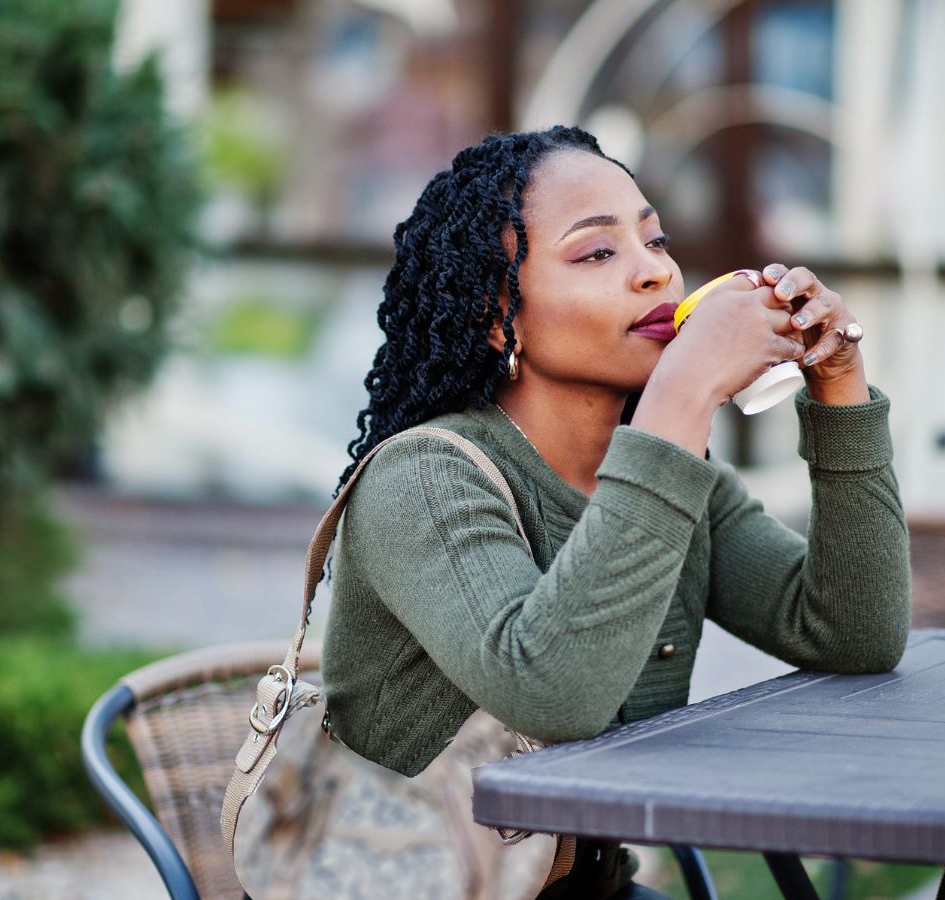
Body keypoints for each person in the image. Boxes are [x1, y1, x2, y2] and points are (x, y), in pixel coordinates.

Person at [320, 125, 910, 899]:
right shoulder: (424, 477)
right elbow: (551, 693)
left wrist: (840, 387)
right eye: (597, 253)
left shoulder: (668, 474)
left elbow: (854, 633)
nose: (655, 274)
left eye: (656, 240)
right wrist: (684, 393)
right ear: (501, 319)